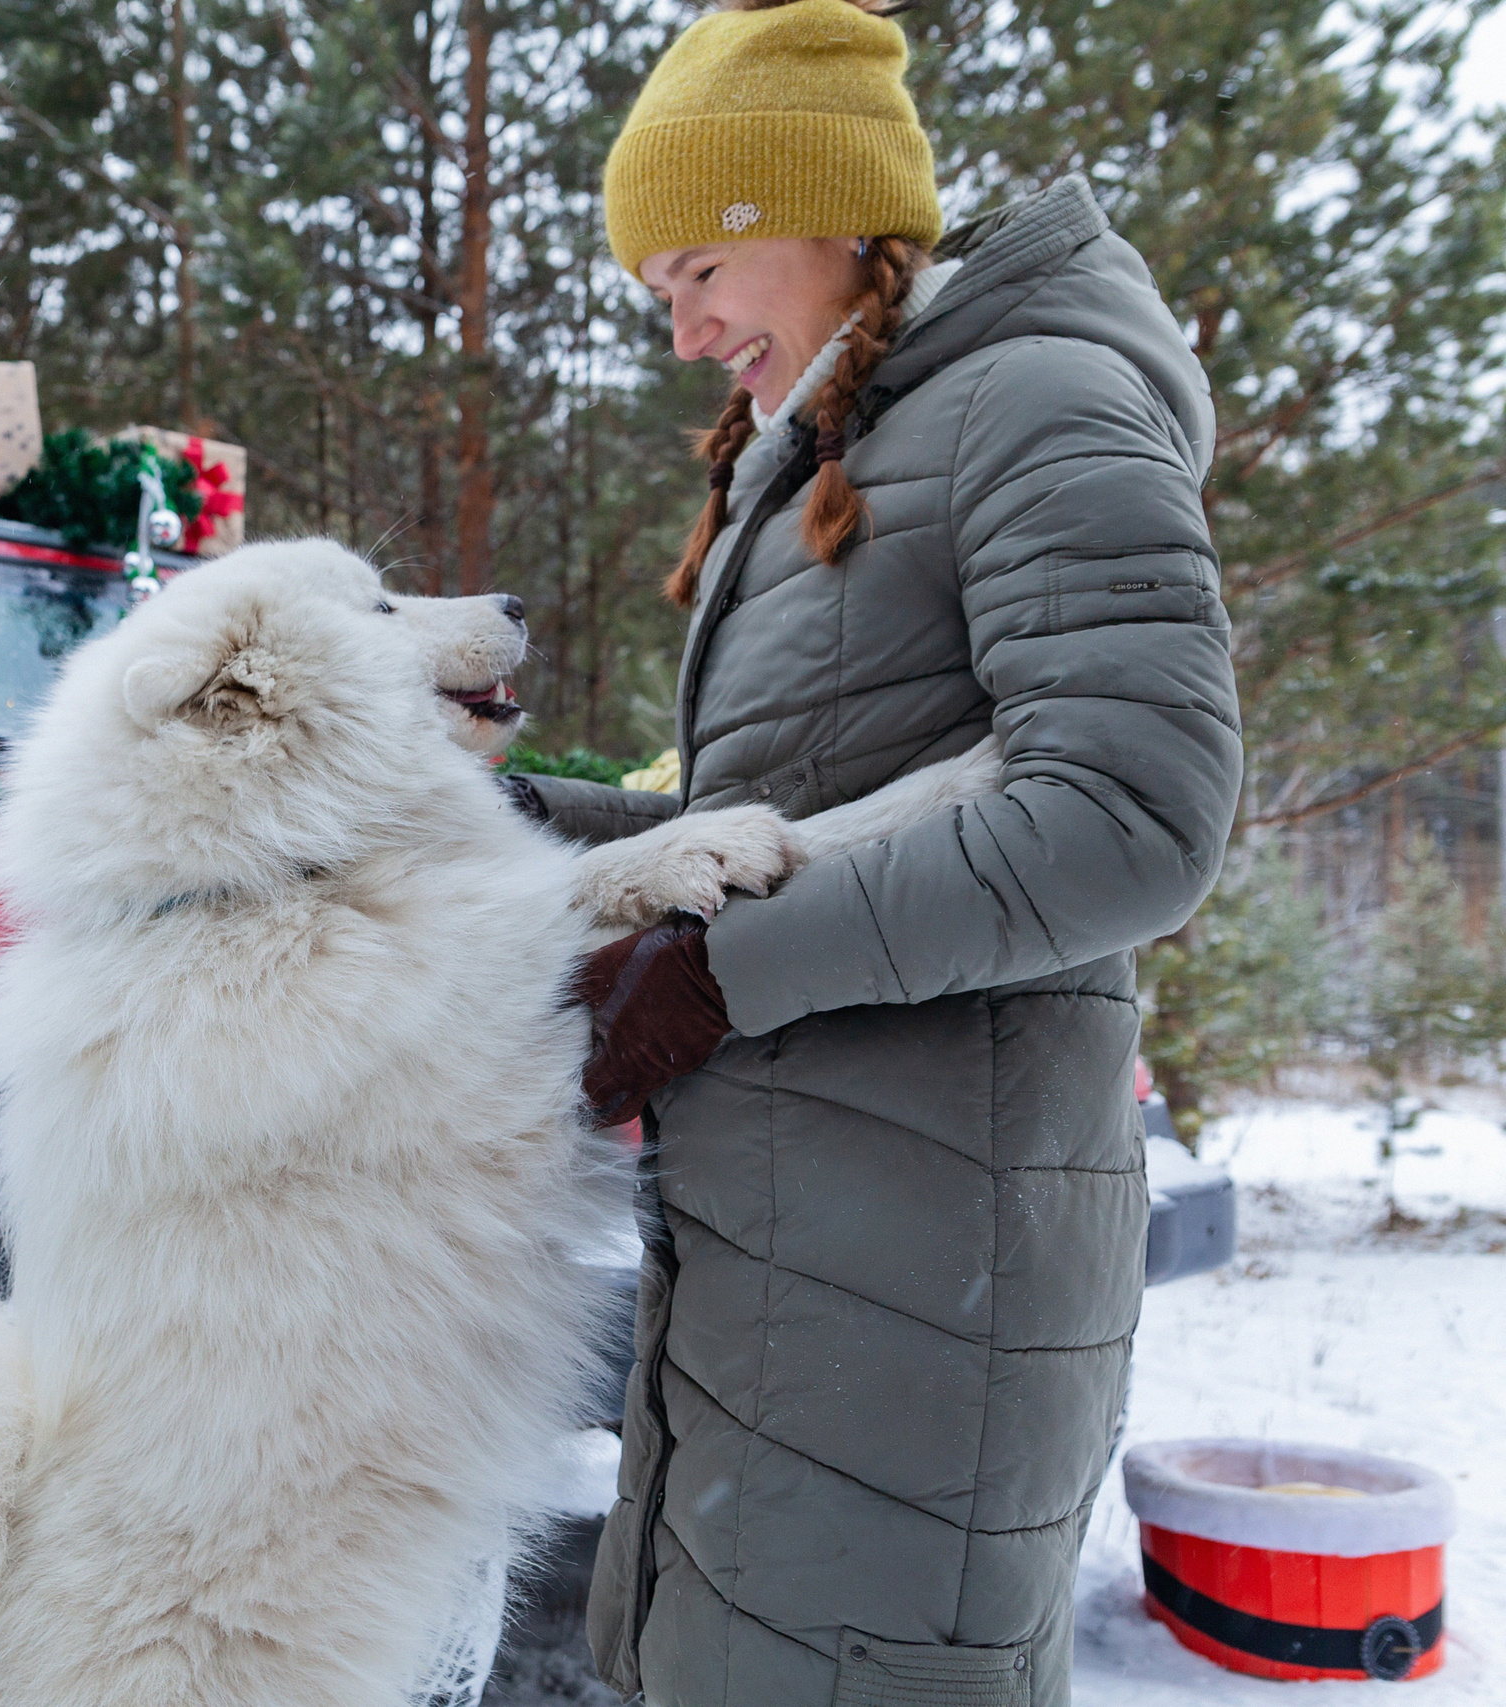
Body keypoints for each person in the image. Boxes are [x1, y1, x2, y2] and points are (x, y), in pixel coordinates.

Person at [563, 2, 1244, 1702]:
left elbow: (1131, 812)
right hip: (793, 1258)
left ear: (821, 208)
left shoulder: (1033, 404)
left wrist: (713, 973)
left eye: (694, 267)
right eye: (660, 290)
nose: (686, 325)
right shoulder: (847, 447)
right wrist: (524, 833)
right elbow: (816, 817)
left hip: (928, 1286)